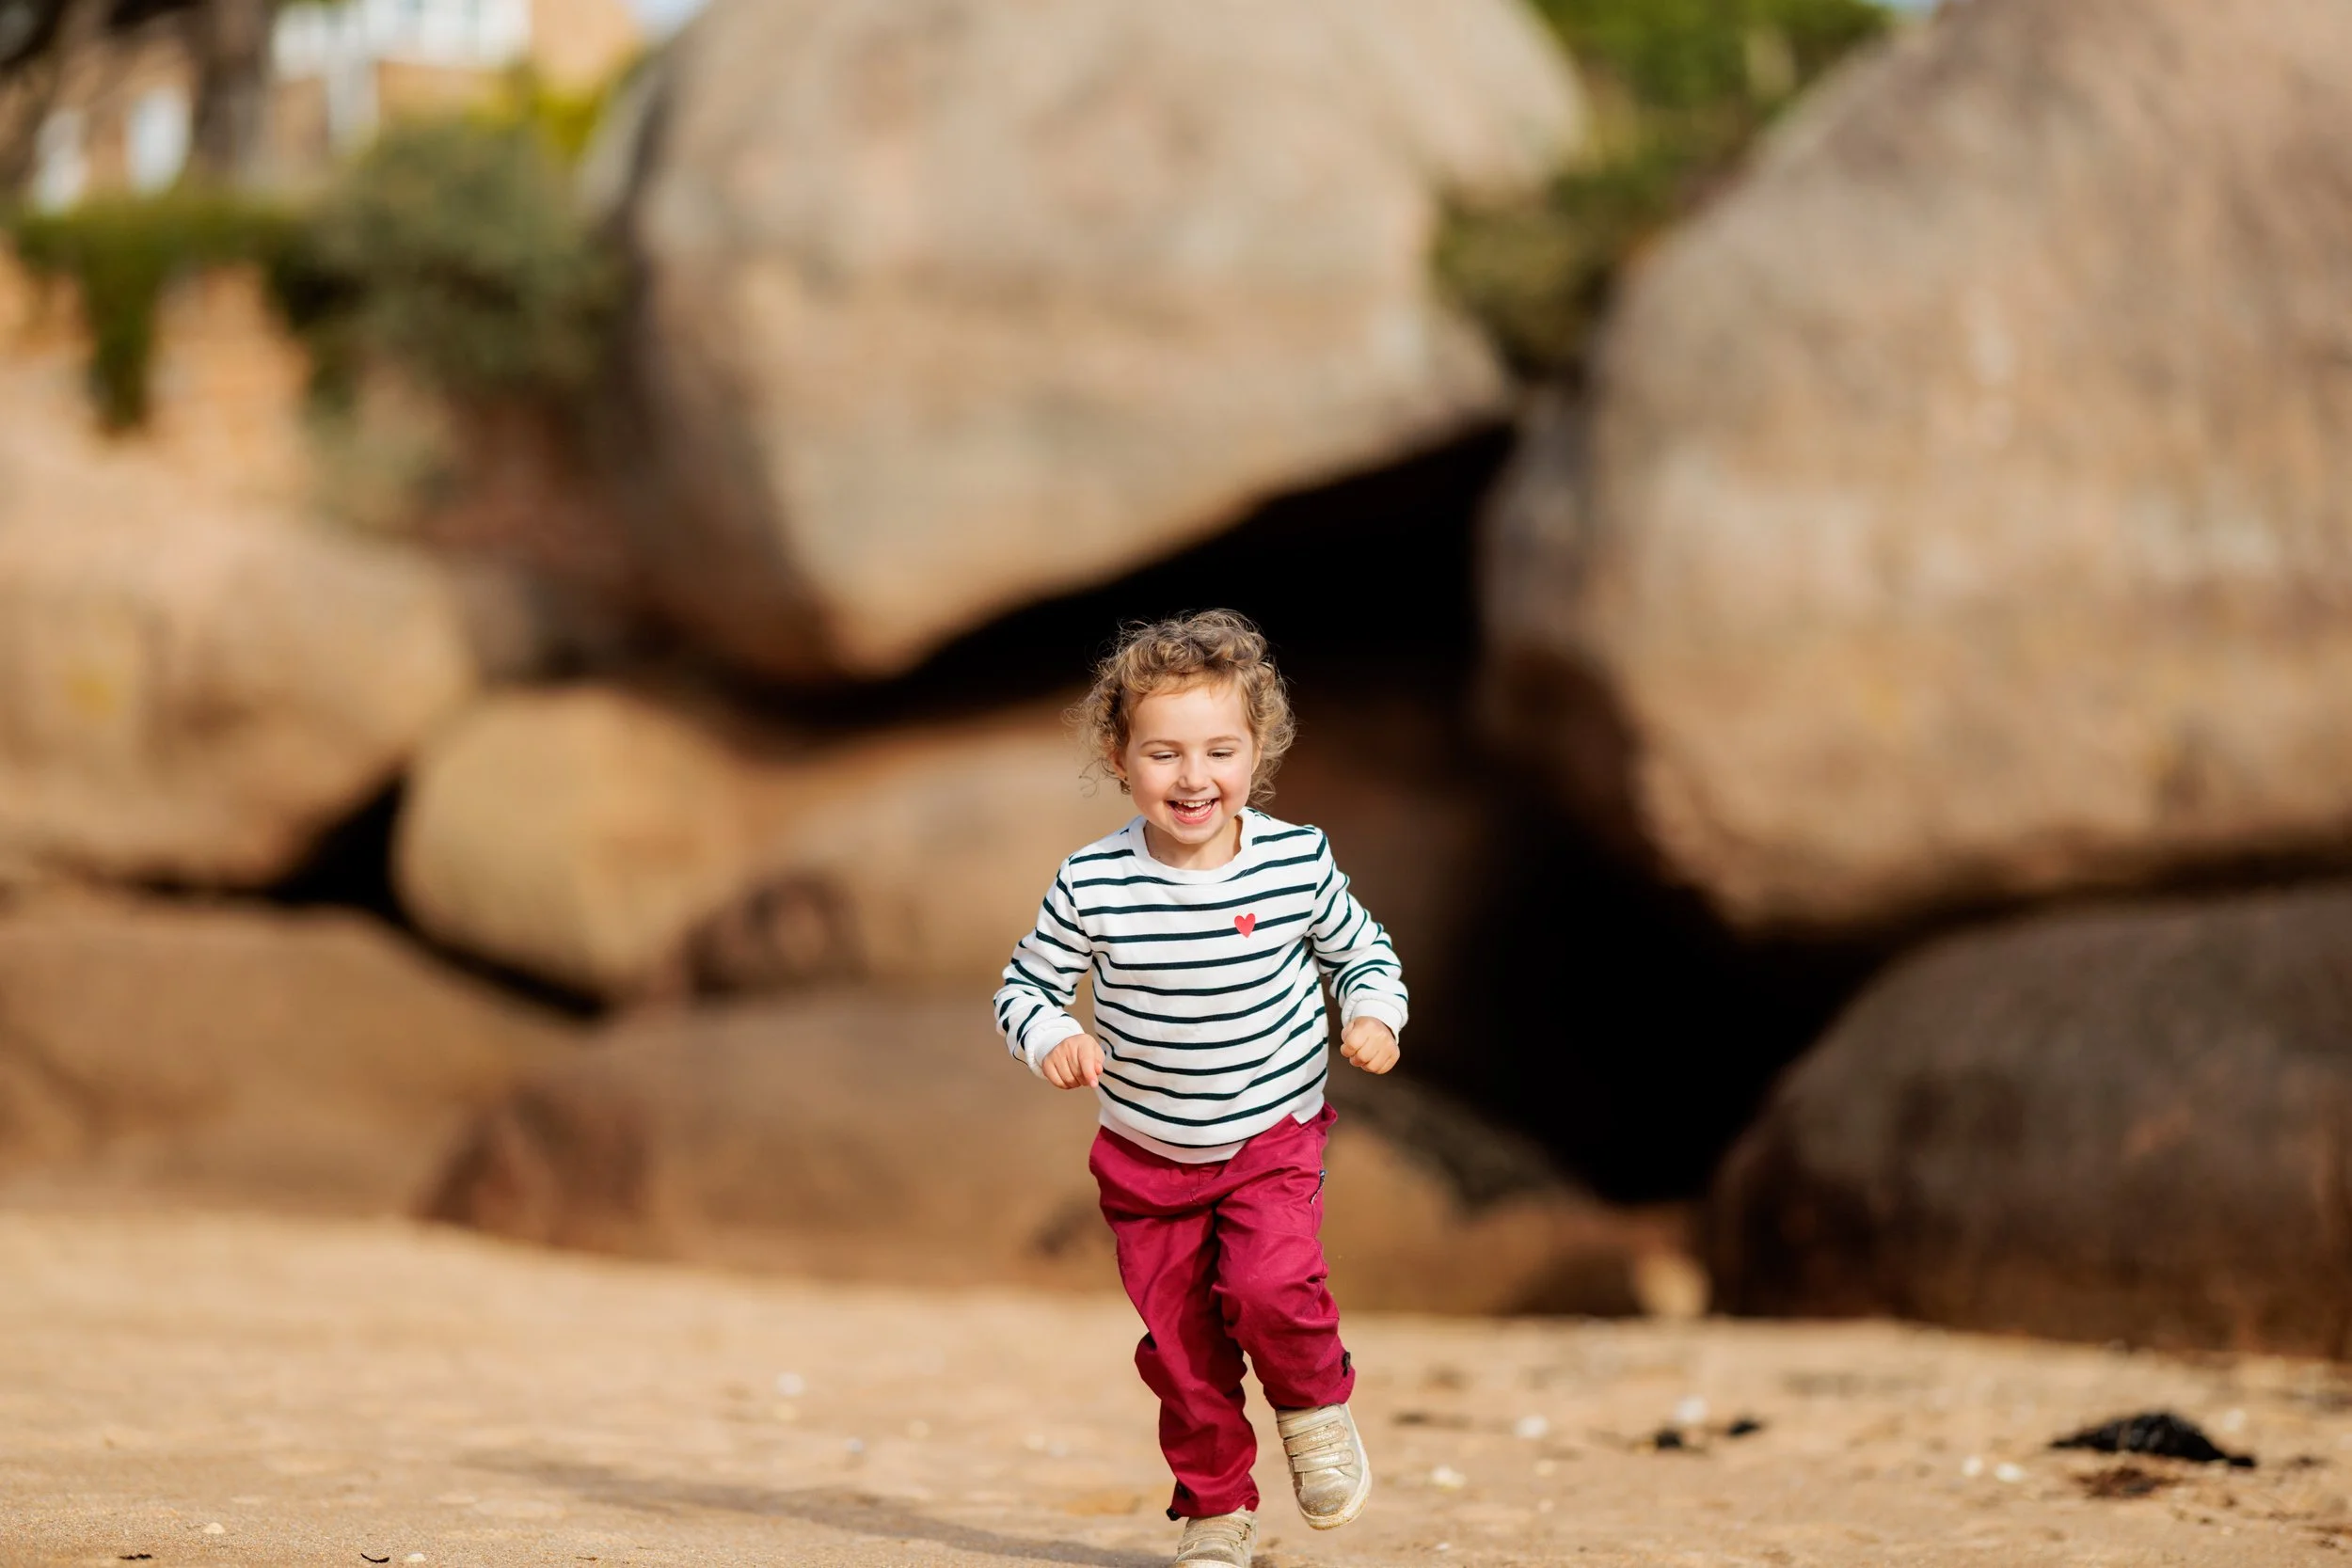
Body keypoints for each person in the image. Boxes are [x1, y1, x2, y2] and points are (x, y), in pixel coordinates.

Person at [993, 610, 1407, 1568]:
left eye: (1219, 750)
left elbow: (1364, 953)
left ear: (1256, 750)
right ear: (1119, 753)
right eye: (1165, 752)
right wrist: (1053, 1033)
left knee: (1269, 1285)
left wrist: (1374, 1015)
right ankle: (1215, 1509)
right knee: (1182, 1349)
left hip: (1272, 1129)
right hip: (1146, 1153)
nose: (1193, 777)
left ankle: (1312, 1406)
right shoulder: (1092, 882)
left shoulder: (1295, 859)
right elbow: (1025, 985)